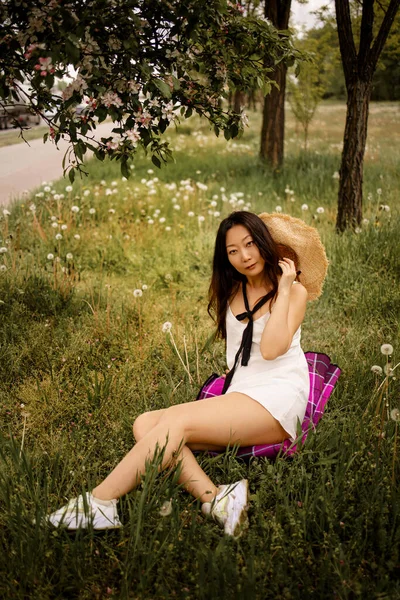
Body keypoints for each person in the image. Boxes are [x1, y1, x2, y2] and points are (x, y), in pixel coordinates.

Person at [47, 210, 328, 539]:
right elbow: (238, 353)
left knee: (175, 425)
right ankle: (218, 501)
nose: (244, 256)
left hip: (277, 398)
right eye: (233, 250)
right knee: (145, 423)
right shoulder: (233, 292)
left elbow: (271, 348)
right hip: (244, 394)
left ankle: (99, 502)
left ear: (265, 245)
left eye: (250, 244)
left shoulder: (294, 292)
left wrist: (282, 286)